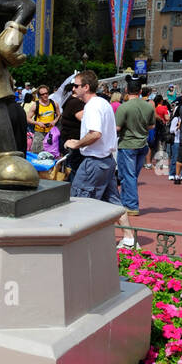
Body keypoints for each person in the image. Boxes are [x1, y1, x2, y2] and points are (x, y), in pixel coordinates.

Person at [64, 71, 133, 246]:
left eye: (76, 85)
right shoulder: (103, 102)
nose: (73, 88)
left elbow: (95, 133)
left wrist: (77, 144)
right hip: (107, 160)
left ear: (86, 87)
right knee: (113, 201)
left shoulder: (92, 106)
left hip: (94, 161)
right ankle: (129, 238)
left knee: (79, 200)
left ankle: (81, 242)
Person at [115, 78, 155, 216]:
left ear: (126, 90)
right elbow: (152, 126)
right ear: (139, 91)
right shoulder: (149, 106)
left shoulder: (124, 107)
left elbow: (117, 127)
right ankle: (125, 202)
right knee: (130, 176)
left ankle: (131, 205)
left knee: (128, 176)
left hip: (128, 145)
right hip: (142, 144)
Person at [57, 80, 85, 179]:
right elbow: (86, 121)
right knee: (75, 170)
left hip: (68, 140)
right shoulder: (76, 103)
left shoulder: (69, 101)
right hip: (73, 142)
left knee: (70, 168)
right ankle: (74, 193)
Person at [30, 85, 59, 155]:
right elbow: (27, 118)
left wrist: (54, 121)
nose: (45, 95)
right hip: (39, 133)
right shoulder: (35, 105)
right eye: (43, 94)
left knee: (51, 153)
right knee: (37, 153)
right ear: (39, 96)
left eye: (46, 93)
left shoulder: (54, 103)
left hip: (51, 133)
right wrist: (37, 123)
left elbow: (59, 114)